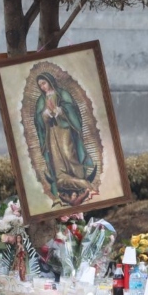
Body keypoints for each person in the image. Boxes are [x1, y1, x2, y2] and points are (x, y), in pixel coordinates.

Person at [33, 73, 98, 206]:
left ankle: (80, 180)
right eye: (40, 85)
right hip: (51, 133)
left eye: (44, 83)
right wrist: (44, 116)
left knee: (69, 155)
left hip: (64, 130)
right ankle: (73, 184)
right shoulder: (41, 100)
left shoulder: (63, 94)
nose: (43, 87)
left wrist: (61, 111)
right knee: (57, 161)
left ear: (50, 81)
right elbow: (38, 120)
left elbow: (73, 111)